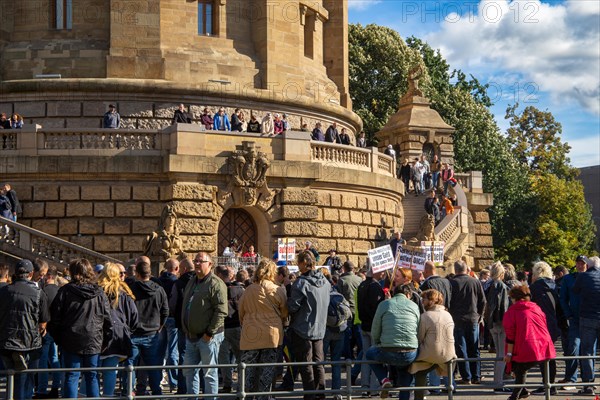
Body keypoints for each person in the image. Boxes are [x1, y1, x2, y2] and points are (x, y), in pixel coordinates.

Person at [48, 258, 112, 399]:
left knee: (72, 375)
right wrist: (105, 341)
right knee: (92, 376)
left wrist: (60, 339)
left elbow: (55, 318)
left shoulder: (65, 291)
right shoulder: (99, 293)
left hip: (71, 339)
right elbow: (107, 319)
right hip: (93, 339)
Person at [239, 259, 288, 400]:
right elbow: (284, 312)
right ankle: (264, 397)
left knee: (249, 371)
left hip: (250, 334)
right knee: (267, 371)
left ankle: (247, 396)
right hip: (271, 335)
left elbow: (241, 312)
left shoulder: (248, 290)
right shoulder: (277, 289)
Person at [0, 259, 49, 400]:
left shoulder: (3, 291)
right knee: (26, 379)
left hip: (6, 341)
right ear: (31, 273)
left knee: (12, 377)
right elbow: (43, 322)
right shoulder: (38, 293)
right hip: (29, 343)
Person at [181, 252, 227, 400]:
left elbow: (221, 311)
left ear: (210, 264)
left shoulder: (216, 283)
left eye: (201, 261)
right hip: (191, 336)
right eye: (196, 261)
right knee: (189, 372)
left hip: (208, 337)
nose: (197, 264)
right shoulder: (192, 281)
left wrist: (209, 332)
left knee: (209, 373)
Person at [287, 250, 330, 400]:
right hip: (320, 328)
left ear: (302, 264)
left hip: (303, 328)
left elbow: (293, 307)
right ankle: (320, 393)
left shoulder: (301, 283)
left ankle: (310, 396)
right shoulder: (325, 281)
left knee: (306, 365)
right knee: (319, 363)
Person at [366, 284, 419, 400]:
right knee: (406, 378)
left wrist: (379, 343)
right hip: (410, 352)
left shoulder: (384, 304)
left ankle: (384, 380)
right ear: (408, 295)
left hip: (388, 350)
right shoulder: (414, 306)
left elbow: (375, 329)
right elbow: (418, 328)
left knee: (369, 354)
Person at [503, 285, 556, 400]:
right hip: (544, 344)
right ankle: (523, 391)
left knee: (520, 369)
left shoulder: (512, 312)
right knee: (521, 368)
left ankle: (515, 395)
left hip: (528, 345)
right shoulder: (536, 308)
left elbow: (510, 336)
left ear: (514, 298)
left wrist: (509, 354)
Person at [126, 260, 169, 396]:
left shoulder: (131, 289)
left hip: (134, 333)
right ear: (149, 274)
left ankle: (129, 392)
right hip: (153, 333)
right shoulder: (159, 289)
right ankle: (157, 392)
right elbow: (165, 311)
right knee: (154, 367)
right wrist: (160, 326)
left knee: (130, 366)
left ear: (137, 274)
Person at [97, 262, 139, 397]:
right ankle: (107, 397)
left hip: (98, 337)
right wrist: (126, 330)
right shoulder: (124, 294)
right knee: (110, 371)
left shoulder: (96, 291)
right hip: (118, 337)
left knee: (92, 371)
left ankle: (90, 396)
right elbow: (134, 318)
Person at [409, 289, 456, 400]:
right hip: (449, 354)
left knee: (418, 370)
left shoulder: (426, 316)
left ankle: (419, 397)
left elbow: (419, 338)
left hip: (431, 354)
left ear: (431, 301)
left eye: (424, 299)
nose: (422, 301)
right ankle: (450, 389)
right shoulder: (448, 314)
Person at [449, 260, 486, 385]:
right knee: (474, 348)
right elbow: (483, 301)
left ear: (455, 270)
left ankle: (466, 377)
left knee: (461, 349)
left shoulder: (452, 283)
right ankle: (476, 375)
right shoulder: (475, 282)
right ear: (467, 269)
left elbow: (448, 302)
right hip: (473, 318)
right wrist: (480, 315)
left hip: (457, 319)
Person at [528, 261, 561, 394]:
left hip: (539, 325)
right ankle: (550, 384)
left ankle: (547, 384)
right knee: (551, 355)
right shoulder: (555, 286)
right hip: (553, 324)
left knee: (543, 356)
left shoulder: (534, 287)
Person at [356, 264, 386, 396]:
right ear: (375, 272)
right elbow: (377, 308)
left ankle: (364, 387)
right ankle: (374, 389)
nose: (383, 274)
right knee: (375, 357)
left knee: (365, 357)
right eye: (381, 271)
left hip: (363, 326)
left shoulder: (361, 285)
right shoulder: (375, 287)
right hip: (373, 327)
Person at [558, 255, 587, 388]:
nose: (580, 265)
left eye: (583, 263)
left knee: (588, 350)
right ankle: (571, 378)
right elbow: (562, 298)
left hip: (589, 318)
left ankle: (588, 381)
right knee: (573, 347)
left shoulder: (592, 277)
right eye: (578, 263)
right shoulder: (568, 278)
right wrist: (568, 314)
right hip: (574, 319)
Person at [573, 256, 600, 395]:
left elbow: (575, 291)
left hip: (587, 317)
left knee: (587, 351)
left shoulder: (583, 277)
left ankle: (588, 384)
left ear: (588, 266)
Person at [215, 265, 244, 394]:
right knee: (240, 357)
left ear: (221, 276)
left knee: (223, 358)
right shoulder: (240, 290)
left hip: (222, 327)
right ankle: (241, 385)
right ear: (231, 276)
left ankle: (227, 384)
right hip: (236, 325)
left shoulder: (218, 289)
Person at [484, 262, 511, 392]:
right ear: (501, 273)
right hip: (500, 323)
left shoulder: (487, 284)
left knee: (499, 355)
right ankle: (498, 383)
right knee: (502, 354)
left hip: (491, 323)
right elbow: (503, 307)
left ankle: (497, 381)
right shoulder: (501, 286)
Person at [36, 266, 62, 399]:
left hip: (45, 330)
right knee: (55, 359)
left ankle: (41, 390)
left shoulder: (42, 291)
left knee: (43, 360)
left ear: (48, 277)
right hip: (56, 331)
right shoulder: (60, 291)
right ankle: (56, 387)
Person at [158, 258, 180, 391]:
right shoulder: (176, 283)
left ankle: (158, 380)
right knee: (173, 351)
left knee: (159, 351)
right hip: (172, 318)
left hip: (160, 319)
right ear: (176, 269)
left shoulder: (158, 281)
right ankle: (173, 382)